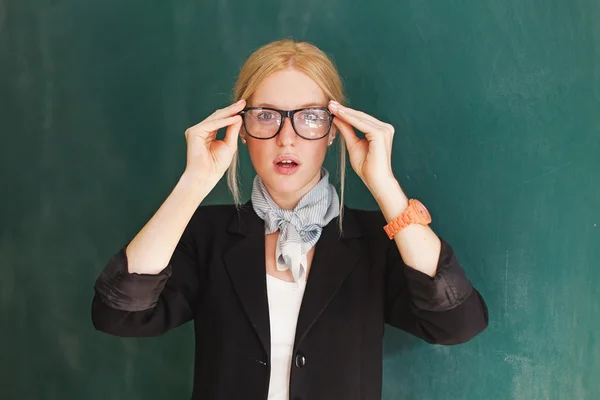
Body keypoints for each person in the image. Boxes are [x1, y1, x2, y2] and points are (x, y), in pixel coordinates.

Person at [92, 39, 488, 400]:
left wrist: (383, 184)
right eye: (266, 115)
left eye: (310, 117)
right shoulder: (207, 235)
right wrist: (193, 182)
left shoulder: (374, 242)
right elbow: (120, 315)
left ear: (334, 131)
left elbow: (456, 323)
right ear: (241, 128)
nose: (287, 137)